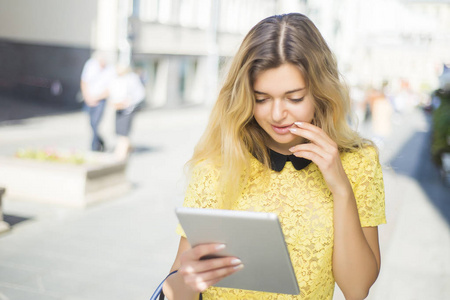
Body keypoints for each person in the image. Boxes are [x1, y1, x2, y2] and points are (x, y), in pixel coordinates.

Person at [163, 13, 386, 300]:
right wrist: (186, 279)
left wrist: (341, 188)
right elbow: (176, 286)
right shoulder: (219, 163)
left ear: (321, 92)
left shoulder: (359, 162)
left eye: (294, 98)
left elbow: (357, 290)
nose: (277, 114)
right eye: (261, 98)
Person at [108, 64, 146, 160]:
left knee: (123, 132)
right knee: (118, 130)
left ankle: (120, 154)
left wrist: (129, 102)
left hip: (128, 109)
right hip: (118, 107)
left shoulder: (132, 78)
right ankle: (128, 148)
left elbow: (140, 94)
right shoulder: (116, 78)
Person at [80, 51, 116, 152]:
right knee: (91, 123)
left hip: (101, 100)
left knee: (95, 122)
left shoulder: (110, 69)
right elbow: (84, 81)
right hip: (89, 98)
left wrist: (97, 98)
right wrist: (87, 97)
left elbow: (110, 88)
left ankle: (94, 147)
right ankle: (100, 141)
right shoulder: (90, 65)